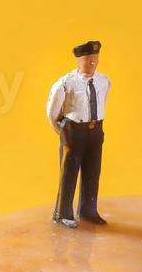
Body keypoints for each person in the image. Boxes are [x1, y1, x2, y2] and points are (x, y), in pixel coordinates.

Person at [46, 40, 110, 227]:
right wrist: (63, 131)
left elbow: (102, 102)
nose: (93, 64)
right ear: (79, 61)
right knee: (69, 172)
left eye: (95, 61)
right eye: (89, 61)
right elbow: (53, 111)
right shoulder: (66, 82)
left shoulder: (103, 81)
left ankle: (89, 210)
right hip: (74, 130)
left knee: (93, 170)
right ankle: (63, 213)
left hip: (95, 129)